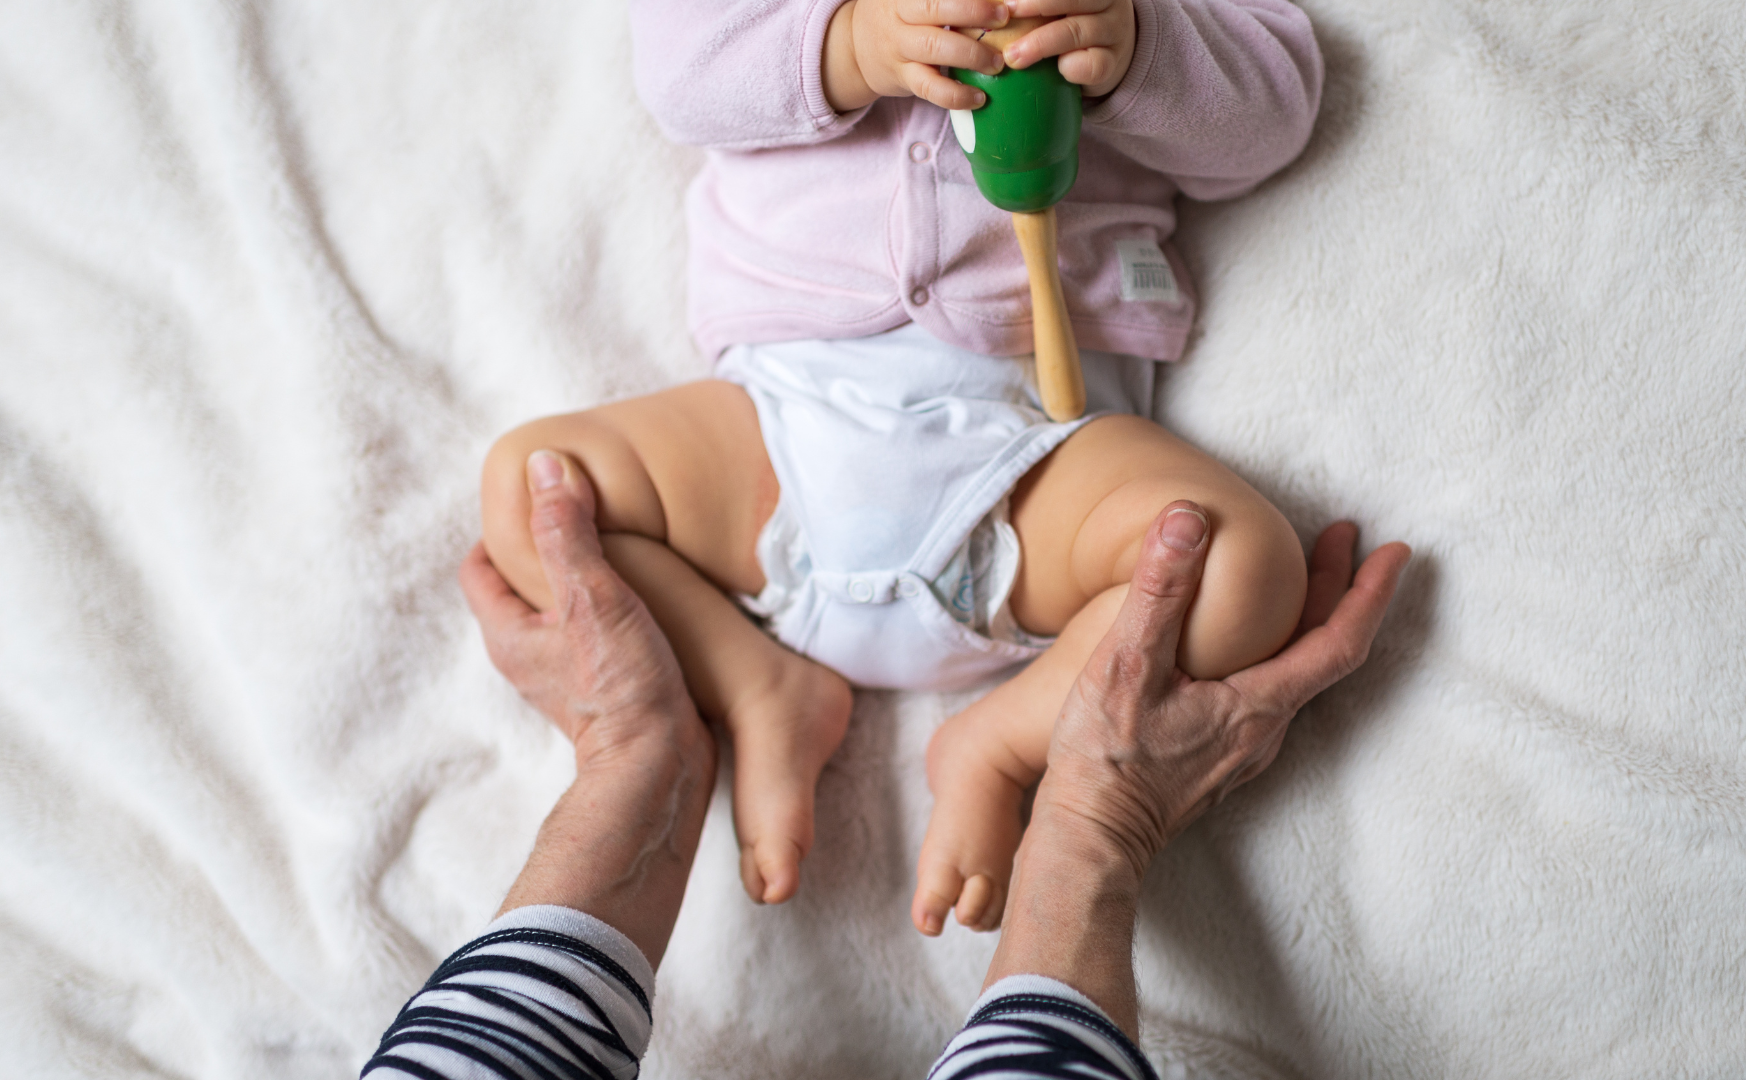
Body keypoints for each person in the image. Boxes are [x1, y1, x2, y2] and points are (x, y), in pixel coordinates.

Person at [479, 0, 1329, 940]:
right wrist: (846, 44)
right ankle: (754, 685)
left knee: (1244, 564)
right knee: (537, 485)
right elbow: (681, 72)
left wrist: (1138, 50)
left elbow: (1272, 116)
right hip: (781, 421)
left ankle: (1000, 743)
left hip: (1035, 452)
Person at [363, 452, 1409, 1078]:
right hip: (963, 451)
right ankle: (997, 742)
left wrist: (628, 753)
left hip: (882, 444)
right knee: (1236, 569)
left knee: (539, 496)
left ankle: (711, 709)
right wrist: (1098, 821)